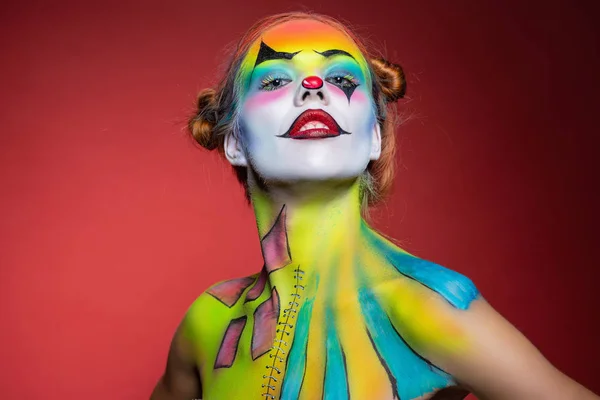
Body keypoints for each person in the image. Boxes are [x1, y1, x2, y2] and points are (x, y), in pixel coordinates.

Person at [151, 11, 598, 400]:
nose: (313, 88)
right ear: (233, 142)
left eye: (342, 78)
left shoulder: (426, 308)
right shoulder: (210, 322)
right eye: (274, 80)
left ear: (374, 137)